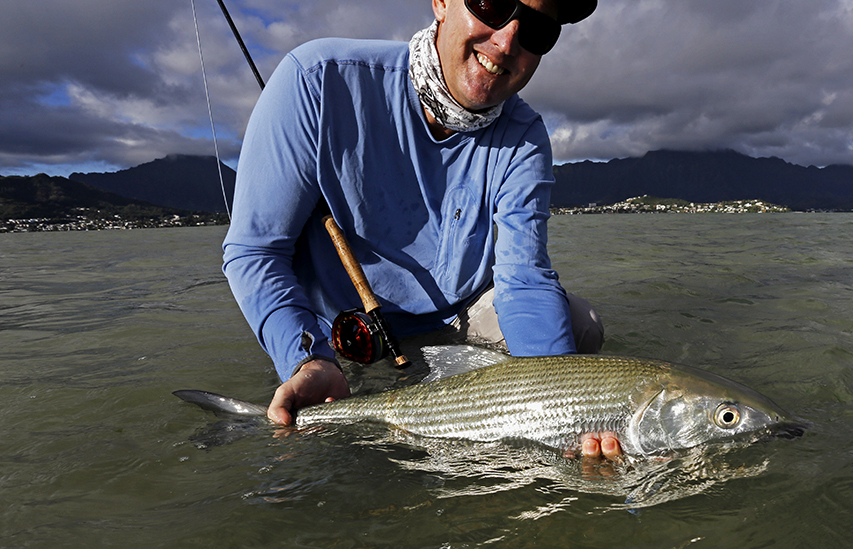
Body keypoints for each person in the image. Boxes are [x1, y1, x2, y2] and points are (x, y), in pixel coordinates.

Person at [222, 0, 620, 459]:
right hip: (348, 333)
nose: (507, 41)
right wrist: (305, 357)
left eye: (536, 30)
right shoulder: (315, 79)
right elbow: (254, 252)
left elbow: (524, 280)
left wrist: (566, 411)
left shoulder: (525, 137)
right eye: (492, 3)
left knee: (580, 328)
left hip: (458, 319)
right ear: (441, 2)